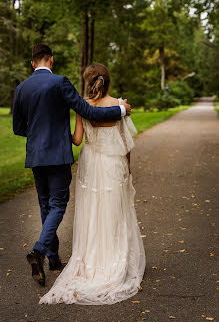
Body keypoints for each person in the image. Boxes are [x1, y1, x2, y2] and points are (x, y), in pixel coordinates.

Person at [13, 44, 131, 287]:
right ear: (52, 61)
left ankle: (53, 259)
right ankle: (38, 251)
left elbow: (18, 128)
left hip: (35, 156)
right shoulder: (60, 83)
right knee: (57, 204)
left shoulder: (22, 88)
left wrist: (38, 138)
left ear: (32, 63)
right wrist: (121, 109)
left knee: (46, 204)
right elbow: (89, 111)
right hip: (57, 156)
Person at [39, 64, 146, 305]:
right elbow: (126, 143)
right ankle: (114, 260)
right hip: (112, 163)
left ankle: (91, 261)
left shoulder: (83, 106)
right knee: (114, 212)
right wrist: (128, 170)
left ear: (88, 83)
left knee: (92, 211)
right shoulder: (119, 105)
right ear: (108, 81)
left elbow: (77, 139)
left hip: (91, 164)